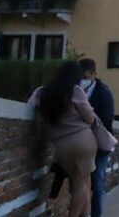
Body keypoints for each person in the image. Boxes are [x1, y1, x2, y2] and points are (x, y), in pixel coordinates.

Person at [28, 61, 97, 217]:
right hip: (83, 142)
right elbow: (90, 118)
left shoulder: (41, 92)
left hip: (60, 145)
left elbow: (29, 108)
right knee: (82, 185)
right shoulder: (75, 91)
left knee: (84, 183)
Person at [79, 58, 114, 217]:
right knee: (80, 184)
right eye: (81, 77)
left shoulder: (104, 92)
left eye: (86, 77)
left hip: (99, 146)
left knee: (98, 184)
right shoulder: (75, 90)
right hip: (81, 146)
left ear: (94, 74)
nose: (83, 80)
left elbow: (107, 119)